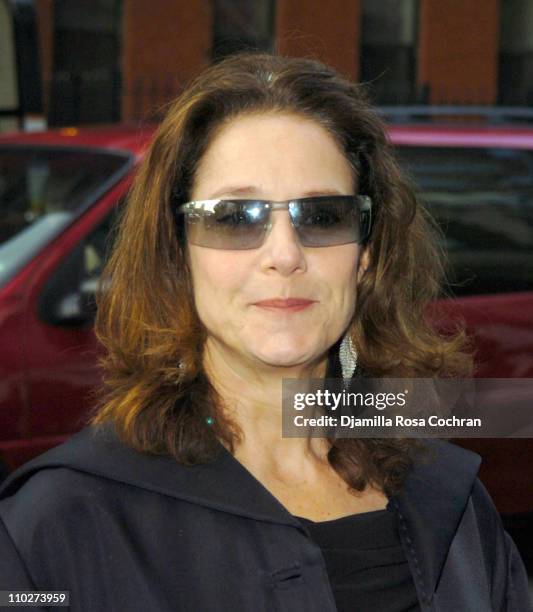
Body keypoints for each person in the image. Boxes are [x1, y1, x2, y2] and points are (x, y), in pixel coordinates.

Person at [0, 53, 530, 612]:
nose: (284, 255)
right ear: (178, 252)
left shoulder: (449, 503)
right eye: (234, 217)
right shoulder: (60, 526)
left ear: (366, 256)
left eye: (322, 216)